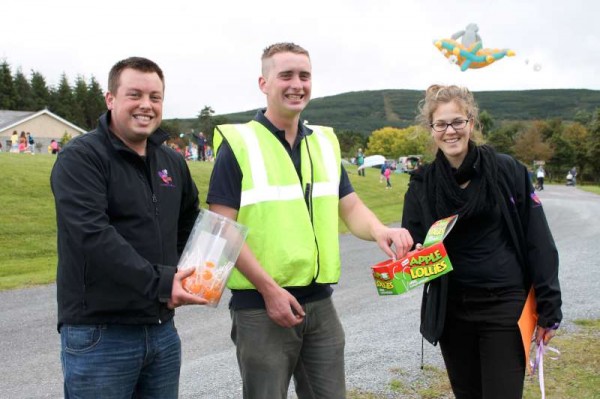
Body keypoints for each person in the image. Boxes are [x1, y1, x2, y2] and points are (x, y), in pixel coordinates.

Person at [206, 42, 413, 399]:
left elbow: (348, 205)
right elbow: (221, 230)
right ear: (264, 83)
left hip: (319, 303)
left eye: (304, 75)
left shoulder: (324, 143)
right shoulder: (239, 144)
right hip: (261, 306)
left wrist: (380, 229)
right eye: (285, 75)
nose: (296, 84)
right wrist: (269, 291)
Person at [50, 56, 208, 398]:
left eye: (155, 97)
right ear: (111, 99)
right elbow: (92, 234)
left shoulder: (171, 161)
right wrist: (163, 281)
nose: (146, 106)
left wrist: (189, 272)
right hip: (101, 333)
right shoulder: (81, 158)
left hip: (161, 331)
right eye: (134, 94)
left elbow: (189, 221)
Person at [402, 85, 562, 399]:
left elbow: (538, 240)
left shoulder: (507, 171)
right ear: (432, 129)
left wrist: (549, 307)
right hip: (452, 313)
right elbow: (413, 248)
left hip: (504, 307)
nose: (450, 131)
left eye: (458, 122)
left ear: (471, 123)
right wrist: (411, 257)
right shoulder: (422, 183)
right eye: (441, 124)